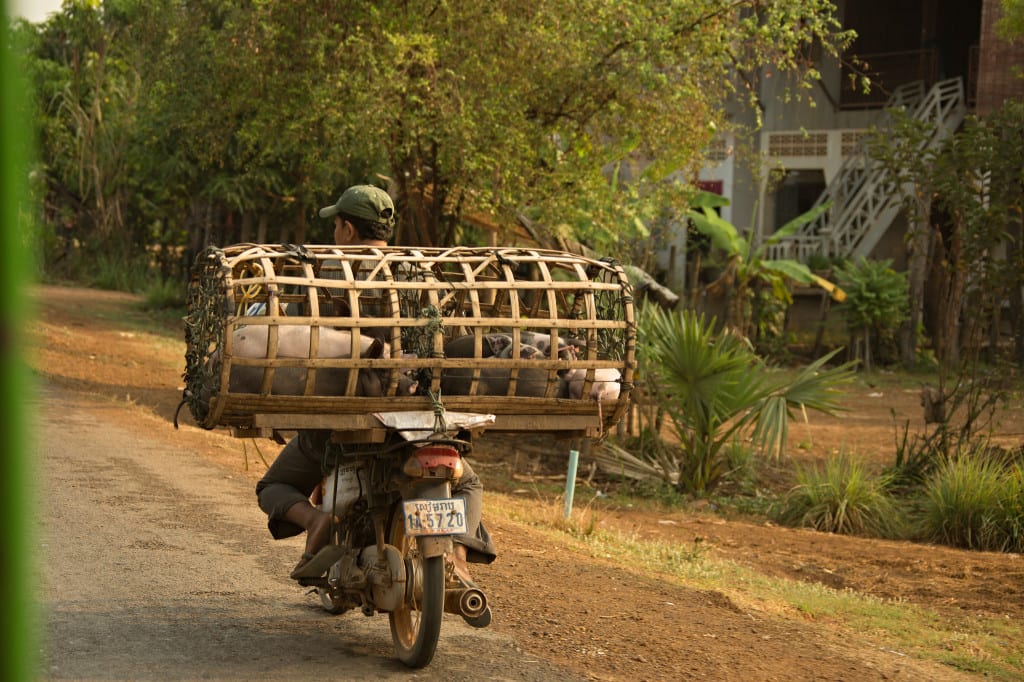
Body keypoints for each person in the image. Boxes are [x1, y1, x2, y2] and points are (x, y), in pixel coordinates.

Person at [255, 184, 495, 585]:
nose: (335, 234)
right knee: (467, 482)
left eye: (337, 226)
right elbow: (451, 340)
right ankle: (458, 556)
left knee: (272, 484)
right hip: (414, 425)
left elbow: (295, 346)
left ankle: (315, 521)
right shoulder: (419, 276)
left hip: (339, 428)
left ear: (348, 230)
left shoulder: (324, 275)